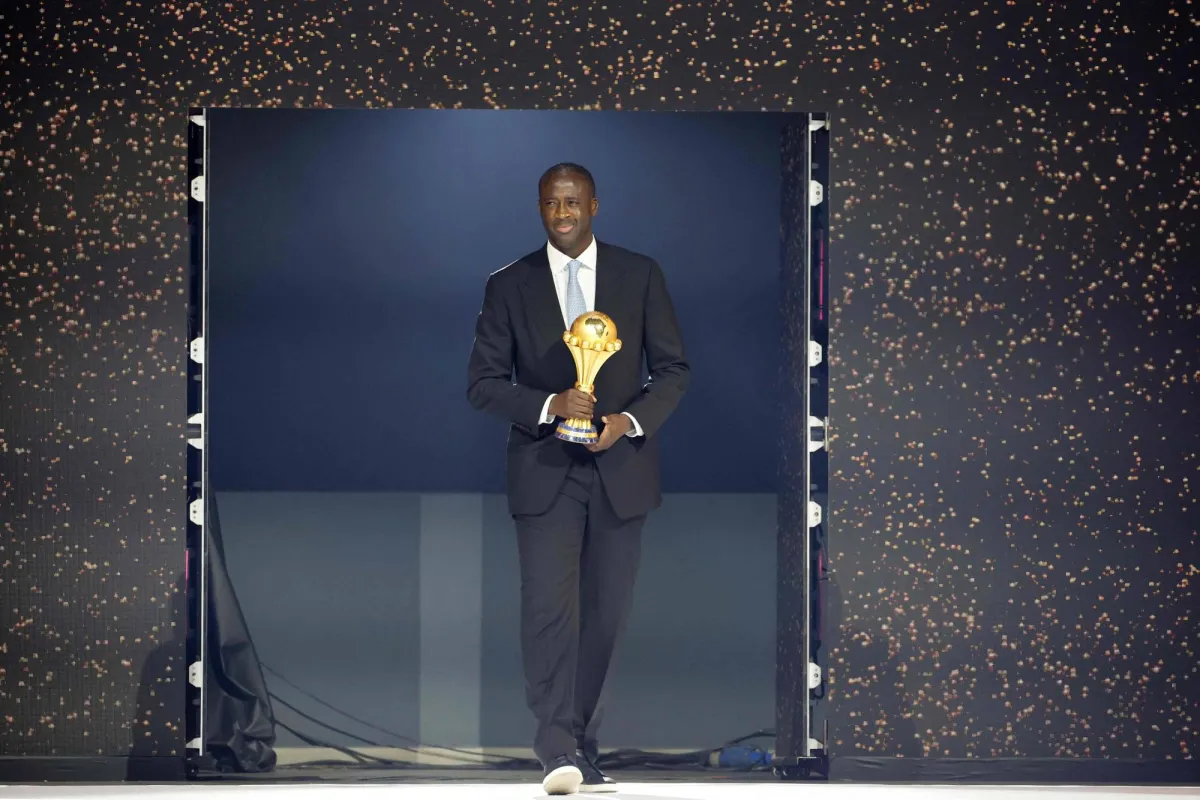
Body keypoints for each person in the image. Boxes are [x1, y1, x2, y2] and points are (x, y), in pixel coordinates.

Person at [467, 163, 689, 795]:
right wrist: (549, 405)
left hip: (621, 468)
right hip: (545, 470)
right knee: (547, 611)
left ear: (594, 205)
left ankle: (583, 745)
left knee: (606, 614)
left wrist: (628, 422)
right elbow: (482, 384)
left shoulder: (639, 274)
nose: (561, 213)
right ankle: (556, 749)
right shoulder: (509, 284)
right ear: (539, 209)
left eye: (572, 202)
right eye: (550, 204)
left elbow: (673, 370)